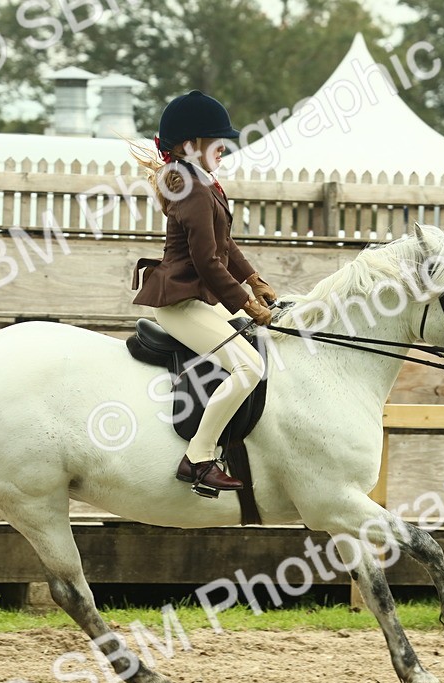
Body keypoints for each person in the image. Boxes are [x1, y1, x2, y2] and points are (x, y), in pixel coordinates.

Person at [130, 90, 279, 495]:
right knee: (250, 367)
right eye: (218, 142)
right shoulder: (192, 190)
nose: (224, 149)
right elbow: (207, 262)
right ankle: (198, 457)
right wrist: (246, 304)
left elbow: (226, 246)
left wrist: (255, 280)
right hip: (179, 303)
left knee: (260, 342)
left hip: (195, 299)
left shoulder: (203, 184)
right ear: (189, 145)